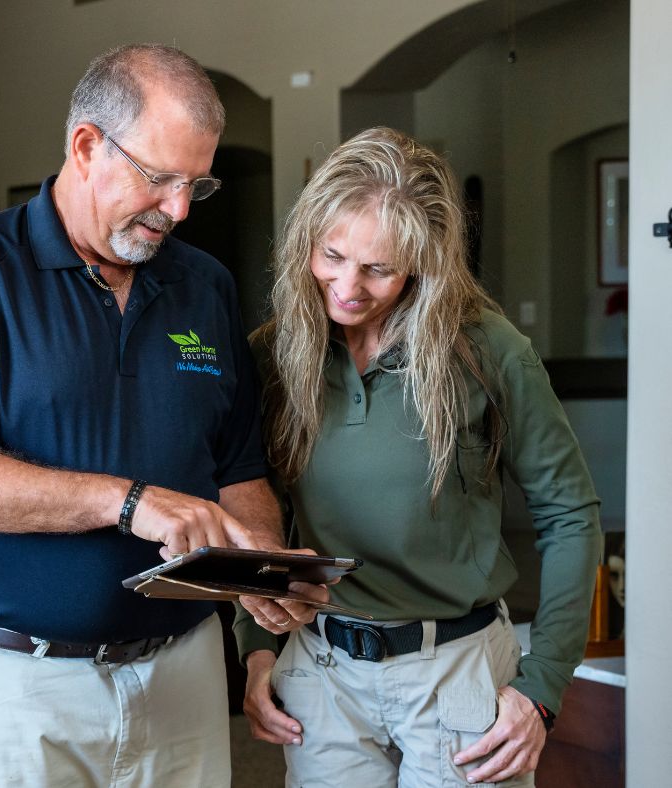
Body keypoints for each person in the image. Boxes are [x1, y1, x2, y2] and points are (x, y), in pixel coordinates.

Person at [0, 44, 324, 787]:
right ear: (86, 146)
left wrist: (261, 570)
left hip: (181, 678)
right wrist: (127, 503)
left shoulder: (204, 286)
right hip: (13, 688)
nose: (179, 210)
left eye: (196, 185)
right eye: (160, 178)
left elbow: (239, 467)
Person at [235, 127, 601, 787]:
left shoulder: (489, 350)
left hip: (455, 671)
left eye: (378, 268)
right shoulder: (275, 353)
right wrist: (259, 650)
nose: (346, 286)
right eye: (332, 255)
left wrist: (542, 686)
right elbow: (258, 505)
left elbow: (572, 515)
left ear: (422, 264)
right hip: (323, 671)